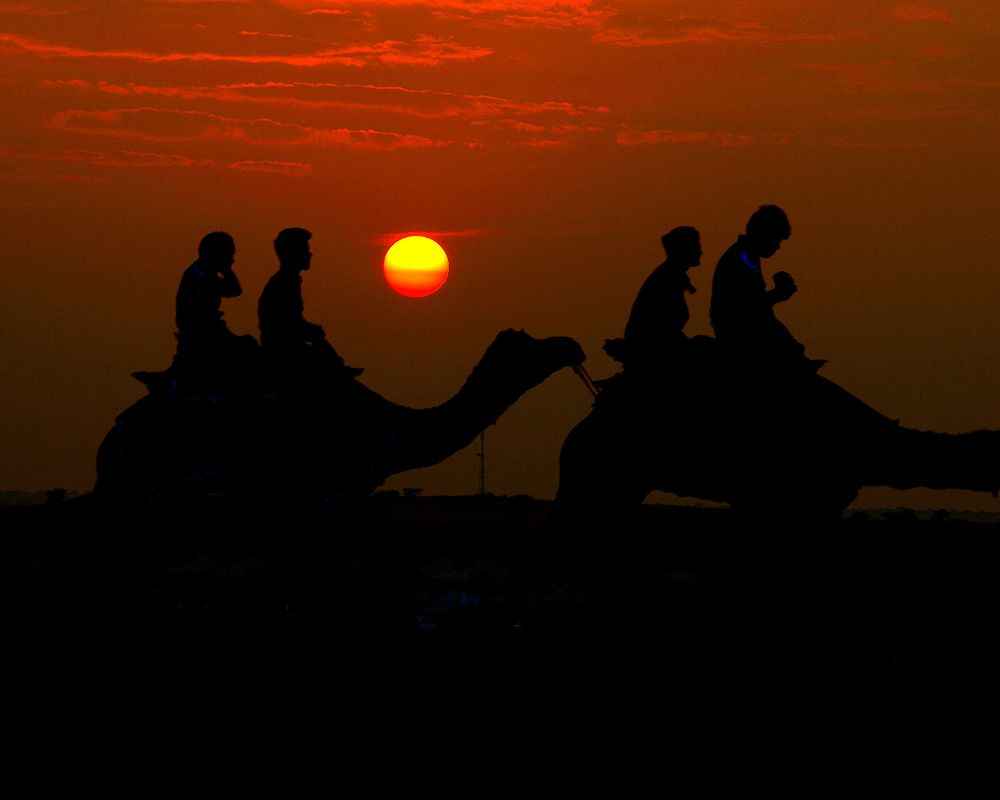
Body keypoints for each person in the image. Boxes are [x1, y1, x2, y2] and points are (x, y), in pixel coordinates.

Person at [709, 205, 820, 371]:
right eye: (777, 239)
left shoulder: (747, 256)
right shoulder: (742, 258)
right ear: (764, 234)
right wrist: (777, 294)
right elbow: (746, 308)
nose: (778, 246)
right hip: (738, 334)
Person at [258, 227, 362, 385]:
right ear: (293, 254)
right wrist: (310, 331)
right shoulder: (283, 283)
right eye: (305, 250)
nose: (310, 254)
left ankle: (338, 367)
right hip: (283, 350)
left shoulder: (288, 281)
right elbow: (287, 323)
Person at [605, 226, 702, 372]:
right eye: (696, 246)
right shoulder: (667, 280)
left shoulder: (670, 276)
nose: (700, 251)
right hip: (654, 355)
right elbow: (662, 329)